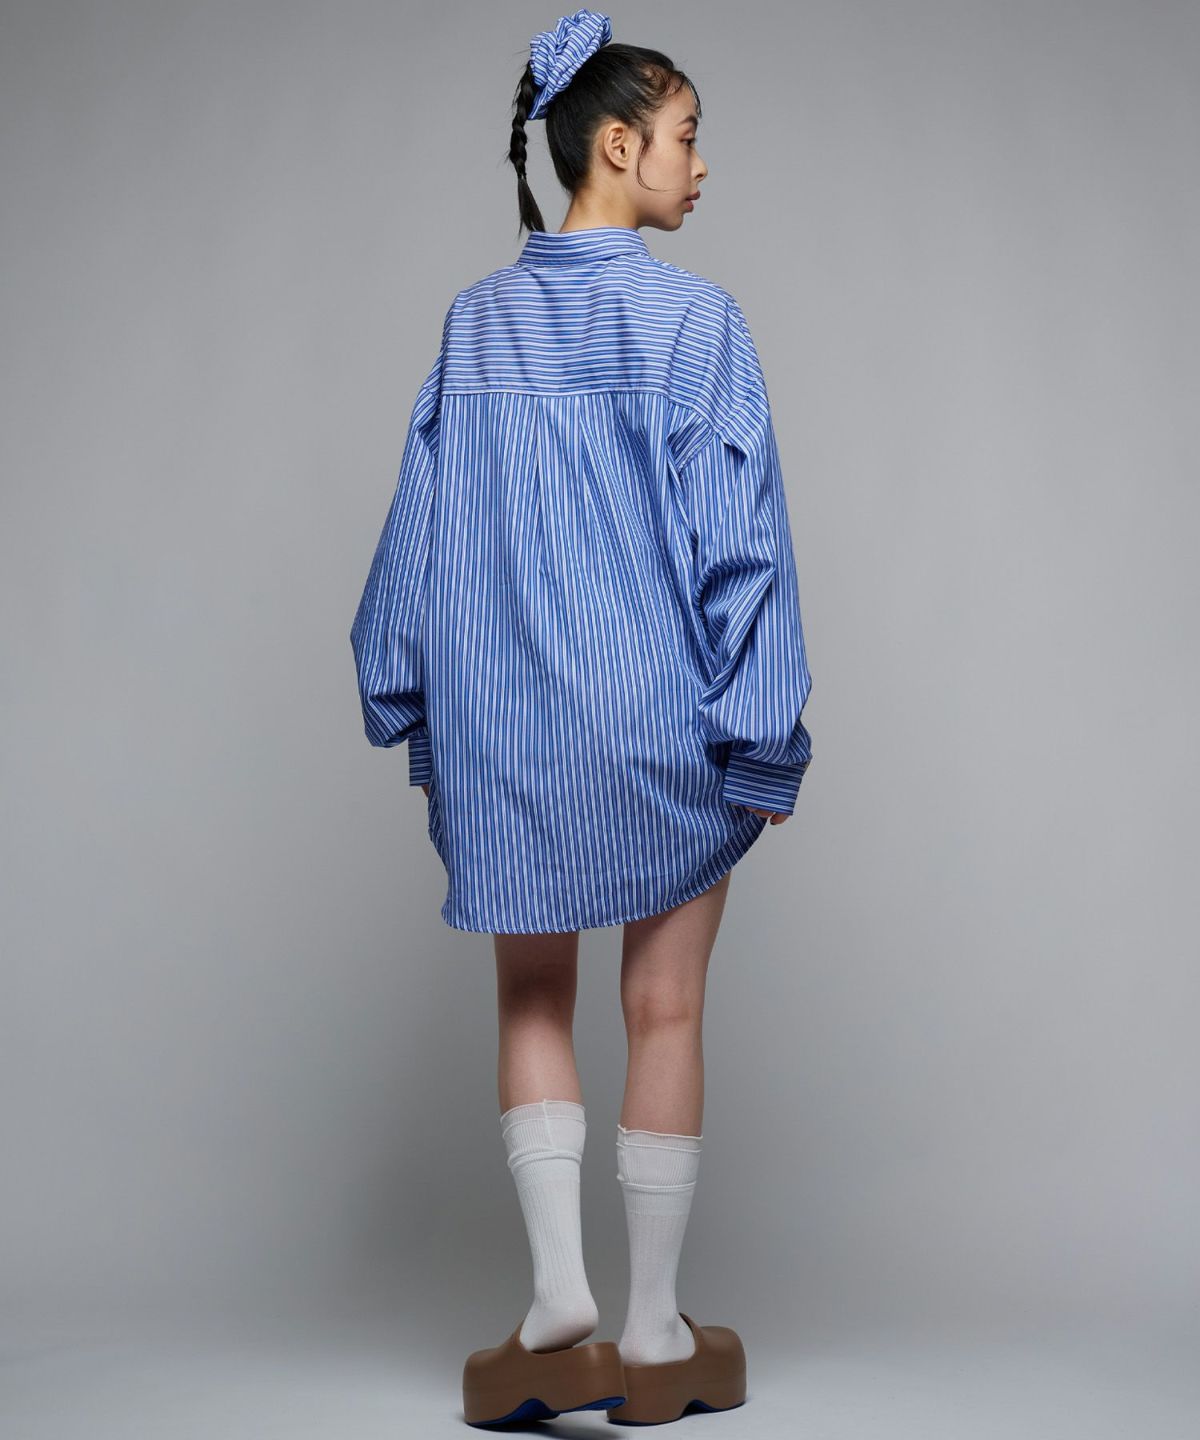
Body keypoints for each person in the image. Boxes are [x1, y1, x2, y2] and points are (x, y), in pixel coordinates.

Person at [348, 8, 814, 1426]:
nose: (701, 166)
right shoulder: (697, 322)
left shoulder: (473, 323)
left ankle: (559, 1307)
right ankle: (656, 1337)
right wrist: (764, 728)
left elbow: (417, 535)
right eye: (686, 137)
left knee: (531, 997)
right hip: (657, 721)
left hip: (507, 728)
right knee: (663, 1005)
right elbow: (744, 546)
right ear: (617, 146)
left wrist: (406, 695)